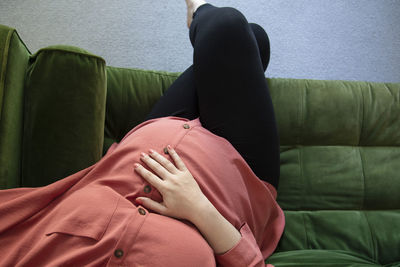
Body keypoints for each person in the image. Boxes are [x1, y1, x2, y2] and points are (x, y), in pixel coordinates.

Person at [0, 1, 285, 266]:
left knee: (243, 38)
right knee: (237, 32)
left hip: (147, 141)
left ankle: (204, 21)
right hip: (239, 177)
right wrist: (200, 209)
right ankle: (199, 11)